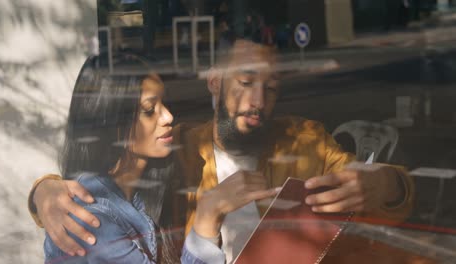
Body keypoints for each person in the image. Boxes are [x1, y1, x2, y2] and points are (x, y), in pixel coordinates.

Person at [29, 40, 414, 263]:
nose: (258, 101)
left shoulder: (305, 140)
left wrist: (385, 182)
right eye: (245, 83)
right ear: (214, 82)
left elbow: (383, 189)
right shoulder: (176, 150)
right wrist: (43, 192)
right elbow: (98, 189)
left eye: (271, 88)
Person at [40, 56, 272, 263]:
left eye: (163, 103)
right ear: (112, 123)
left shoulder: (143, 190)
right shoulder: (92, 218)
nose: (168, 116)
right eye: (149, 109)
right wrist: (208, 215)